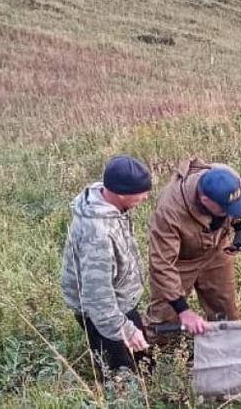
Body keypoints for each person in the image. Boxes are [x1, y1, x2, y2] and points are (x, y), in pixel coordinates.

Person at [61, 155, 153, 379]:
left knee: (147, 366)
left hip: (120, 303)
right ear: (121, 194)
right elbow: (97, 299)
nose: (146, 197)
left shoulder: (111, 206)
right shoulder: (98, 235)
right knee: (124, 379)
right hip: (102, 315)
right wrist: (126, 330)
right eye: (141, 193)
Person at [147, 159, 241, 336]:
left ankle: (226, 352)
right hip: (180, 261)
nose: (229, 213)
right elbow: (162, 264)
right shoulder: (169, 209)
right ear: (205, 200)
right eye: (224, 209)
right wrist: (183, 311)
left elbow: (240, 199)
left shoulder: (227, 176)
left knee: (226, 312)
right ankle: (146, 358)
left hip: (217, 249)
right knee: (165, 317)